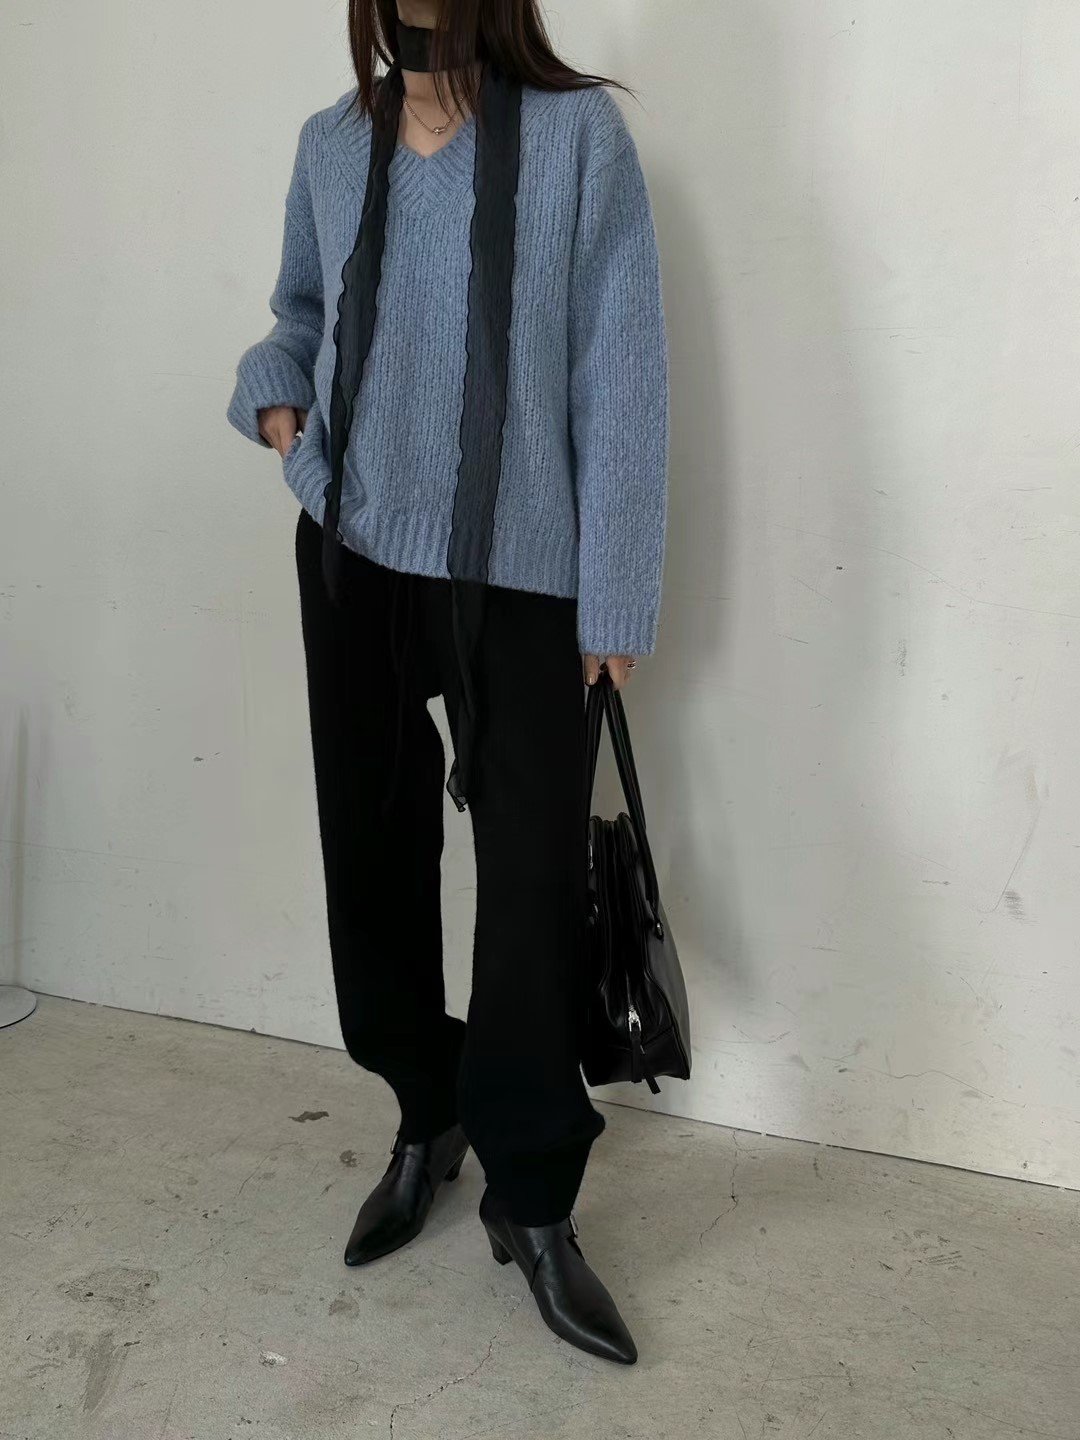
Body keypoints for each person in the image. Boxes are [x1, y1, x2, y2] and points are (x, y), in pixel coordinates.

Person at [226, 0, 668, 1366]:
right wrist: (277, 401)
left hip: (522, 577)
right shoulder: (331, 142)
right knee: (370, 855)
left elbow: (620, 368)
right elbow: (299, 317)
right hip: (353, 552)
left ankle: (534, 1198)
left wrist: (615, 590)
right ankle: (429, 1109)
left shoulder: (579, 140)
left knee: (528, 883)